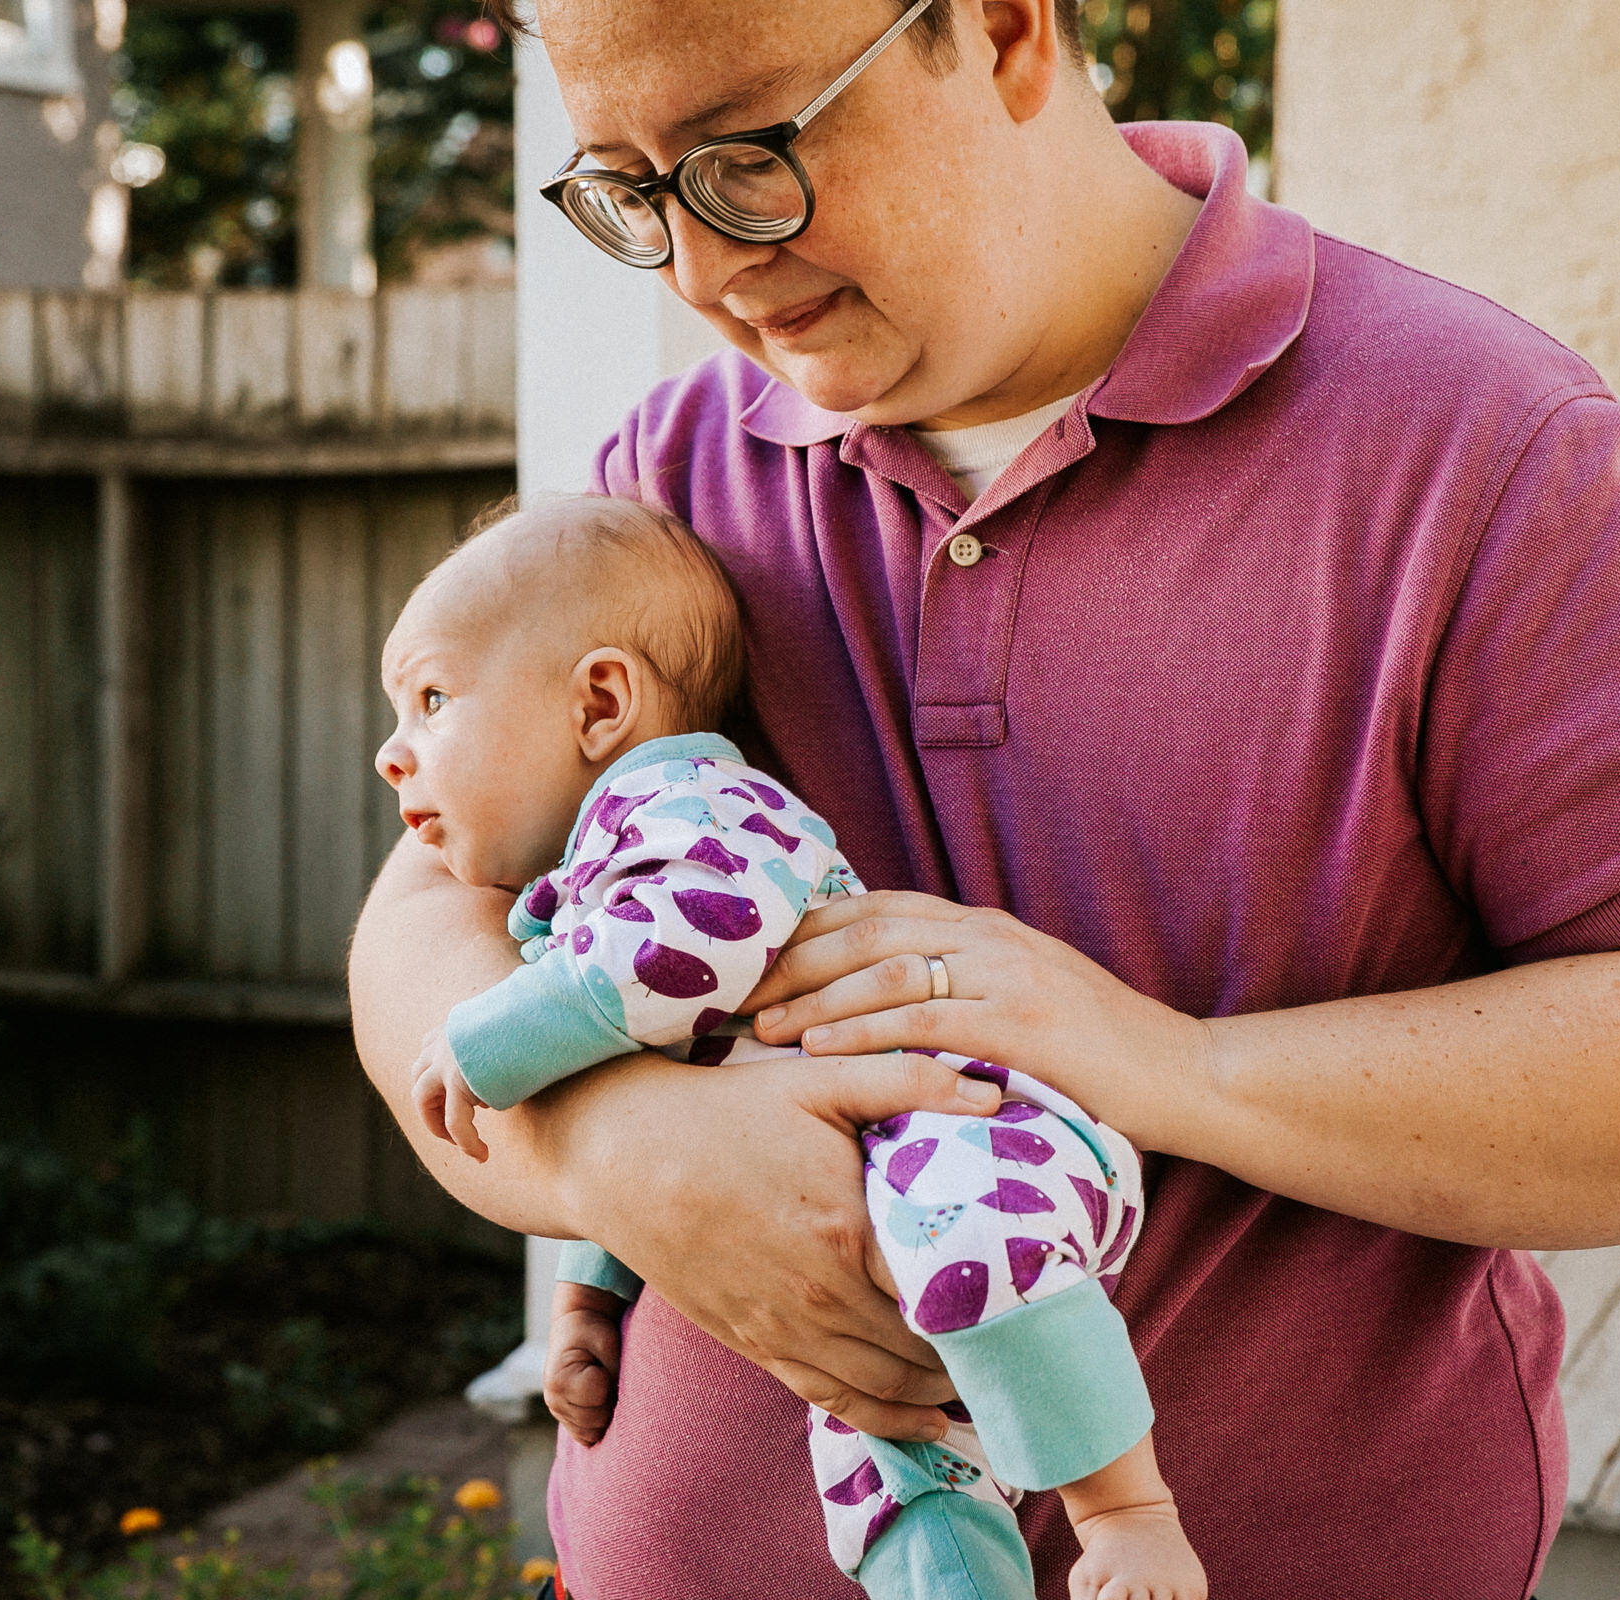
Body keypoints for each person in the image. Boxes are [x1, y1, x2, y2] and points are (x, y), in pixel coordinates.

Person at [348, 1, 1620, 1594]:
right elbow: (427, 913)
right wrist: (613, 1148)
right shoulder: (674, 475)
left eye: (752, 155)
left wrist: (1168, 1066)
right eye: (631, 190)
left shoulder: (1484, 455)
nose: (700, 267)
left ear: (1008, 27)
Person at [377, 495, 1203, 1600]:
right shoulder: (576, 898)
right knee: (892, 1464)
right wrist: (588, 1298)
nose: (393, 753)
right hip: (871, 1207)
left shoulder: (686, 804)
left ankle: (1129, 1514)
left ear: (602, 701)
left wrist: (488, 1033)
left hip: (957, 1130)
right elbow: (660, 1109)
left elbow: (689, 949)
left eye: (431, 700)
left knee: (972, 1261)